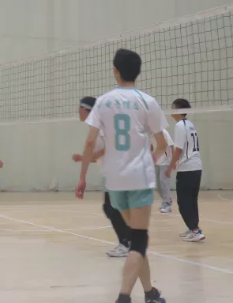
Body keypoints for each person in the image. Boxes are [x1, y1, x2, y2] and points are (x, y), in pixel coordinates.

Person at [76, 49, 168, 303]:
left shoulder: (103, 101)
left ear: (115, 71)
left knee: (135, 238)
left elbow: (90, 143)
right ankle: (124, 297)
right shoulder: (147, 101)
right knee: (138, 240)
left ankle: (149, 292)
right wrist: (149, 160)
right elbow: (162, 144)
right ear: (139, 72)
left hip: (114, 181)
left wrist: (82, 178)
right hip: (139, 178)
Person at [72, 96, 130, 258]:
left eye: (79, 109)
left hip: (115, 171)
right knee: (112, 207)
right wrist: (84, 158)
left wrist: (82, 177)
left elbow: (110, 146)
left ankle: (126, 243)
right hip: (113, 171)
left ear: (85, 109)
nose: (78, 112)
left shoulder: (99, 125)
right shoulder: (101, 124)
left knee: (112, 208)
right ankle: (128, 241)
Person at [166, 99, 204, 241]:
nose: (170, 110)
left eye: (172, 107)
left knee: (183, 202)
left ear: (178, 109)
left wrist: (170, 167)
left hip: (187, 168)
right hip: (196, 166)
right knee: (192, 200)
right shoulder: (190, 124)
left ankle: (195, 231)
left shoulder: (179, 126)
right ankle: (193, 227)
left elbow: (179, 149)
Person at [152, 127, 173, 214]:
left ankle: (167, 204)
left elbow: (171, 145)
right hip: (156, 162)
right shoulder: (150, 133)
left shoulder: (164, 132)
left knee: (163, 182)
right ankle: (167, 199)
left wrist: (173, 162)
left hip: (165, 162)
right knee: (158, 186)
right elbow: (151, 146)